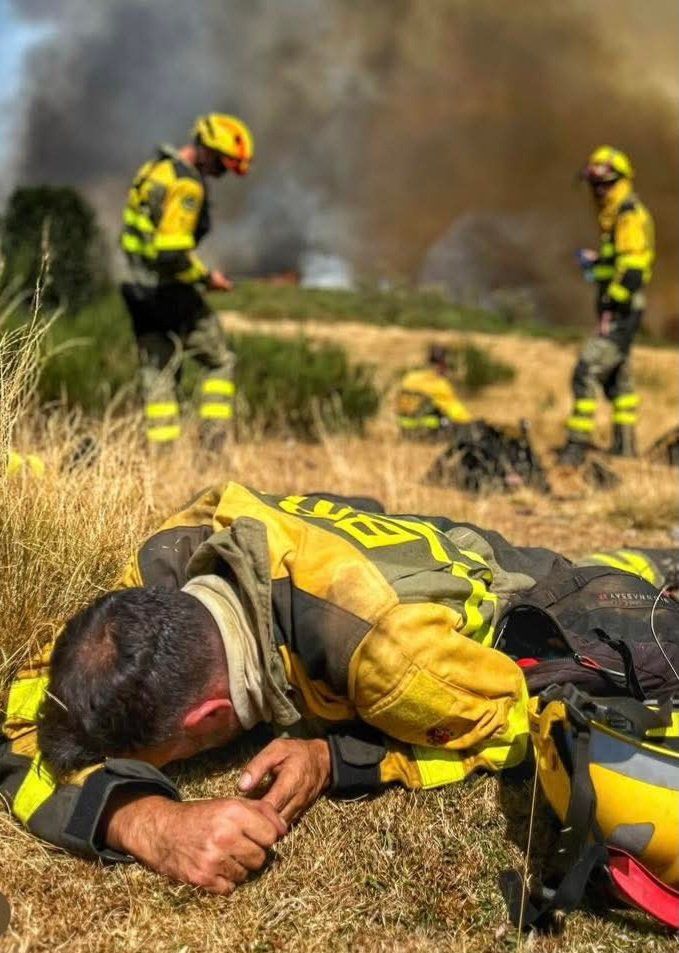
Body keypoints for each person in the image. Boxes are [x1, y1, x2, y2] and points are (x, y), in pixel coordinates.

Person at [1, 484, 672, 894]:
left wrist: (336, 757)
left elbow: (512, 728)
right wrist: (145, 821)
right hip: (398, 553)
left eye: (163, 759)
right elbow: (25, 724)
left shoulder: (391, 660)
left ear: (207, 718)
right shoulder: (164, 562)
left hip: (554, 593)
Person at [120, 114, 254, 449]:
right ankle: (212, 447)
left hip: (136, 288)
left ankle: (162, 455)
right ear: (206, 150)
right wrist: (208, 279)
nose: (221, 173)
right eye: (221, 164)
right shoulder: (187, 185)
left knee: (158, 370)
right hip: (168, 288)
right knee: (219, 361)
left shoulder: (155, 169)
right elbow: (172, 252)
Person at [559, 146, 655, 465]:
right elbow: (620, 264)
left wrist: (612, 307)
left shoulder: (628, 215)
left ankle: (576, 447)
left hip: (621, 313)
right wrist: (598, 263)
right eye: (594, 185)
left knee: (586, 369)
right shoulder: (615, 216)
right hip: (621, 311)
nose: (598, 192)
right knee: (618, 381)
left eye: (605, 184)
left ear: (621, 181)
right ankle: (625, 448)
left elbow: (634, 270)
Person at [396, 344, 472, 438]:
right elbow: (457, 412)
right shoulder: (439, 385)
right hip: (428, 432)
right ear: (442, 365)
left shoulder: (409, 378)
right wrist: (471, 423)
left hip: (406, 430)